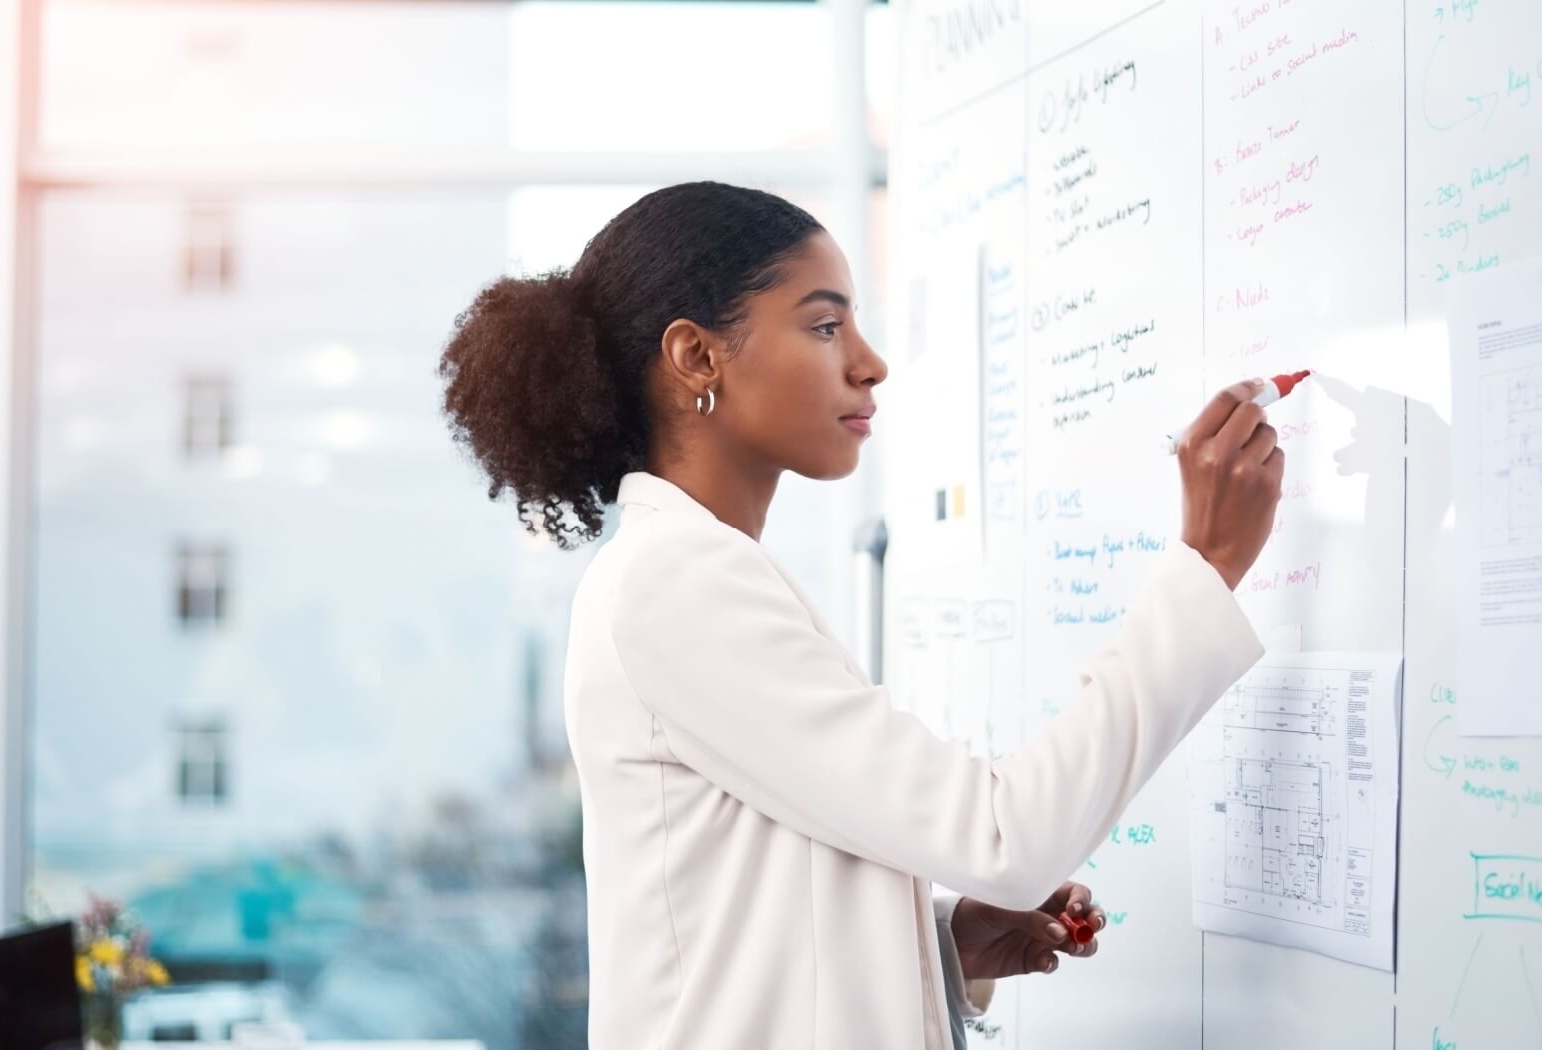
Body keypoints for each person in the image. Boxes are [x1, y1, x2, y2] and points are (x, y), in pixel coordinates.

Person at [438, 181, 1282, 1049]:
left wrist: (942, 943)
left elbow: (752, 902)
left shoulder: (689, 569)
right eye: (824, 325)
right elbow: (1005, 834)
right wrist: (1206, 568)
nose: (869, 361)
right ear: (696, 357)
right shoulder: (681, 580)